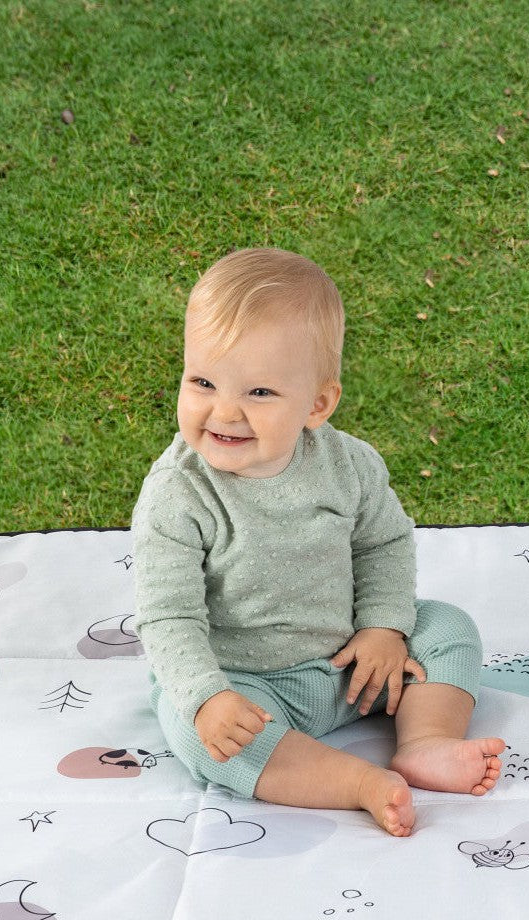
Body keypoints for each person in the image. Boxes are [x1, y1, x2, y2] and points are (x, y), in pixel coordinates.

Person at [133, 248, 505, 836]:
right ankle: (354, 782)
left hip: (353, 668)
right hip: (244, 686)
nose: (223, 411)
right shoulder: (177, 493)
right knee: (200, 737)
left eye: (259, 393)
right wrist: (207, 698)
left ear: (318, 404)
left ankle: (426, 741)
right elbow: (167, 615)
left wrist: (382, 628)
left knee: (447, 626)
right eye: (202, 382)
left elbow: (383, 544)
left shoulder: (348, 465)